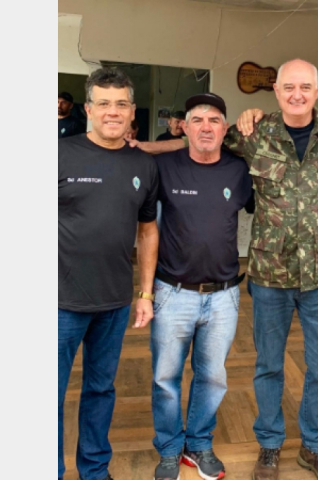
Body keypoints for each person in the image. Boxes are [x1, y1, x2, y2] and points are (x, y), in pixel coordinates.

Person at [130, 58, 318, 480]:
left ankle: (314, 447)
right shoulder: (254, 133)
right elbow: (199, 142)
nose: (296, 94)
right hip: (270, 275)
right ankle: (269, 445)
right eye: (288, 87)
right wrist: (143, 148)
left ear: (317, 89)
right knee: (268, 365)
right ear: (276, 90)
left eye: (305, 87)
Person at [58, 68, 159, 480]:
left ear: (132, 111)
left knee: (100, 390)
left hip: (114, 303)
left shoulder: (144, 165)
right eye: (103, 103)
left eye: (120, 104)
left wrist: (146, 293)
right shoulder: (58, 153)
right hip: (58, 302)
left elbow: (148, 230)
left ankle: (95, 470)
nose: (112, 112)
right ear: (88, 109)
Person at [149, 93, 254, 480]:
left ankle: (198, 444)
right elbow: (144, 225)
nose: (206, 127)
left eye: (214, 121)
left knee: (212, 376)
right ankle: (169, 448)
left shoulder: (239, 171)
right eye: (197, 120)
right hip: (172, 292)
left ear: (225, 130)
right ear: (184, 128)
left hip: (224, 295)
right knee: (166, 378)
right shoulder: (163, 167)